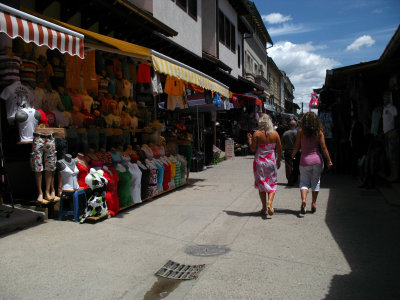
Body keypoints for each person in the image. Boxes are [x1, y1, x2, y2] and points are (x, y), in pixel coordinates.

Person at [291, 112, 333, 215]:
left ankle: (304, 200)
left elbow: (296, 145)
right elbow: (323, 148)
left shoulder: (300, 131)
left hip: (304, 160)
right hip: (317, 160)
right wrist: (329, 160)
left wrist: (293, 155)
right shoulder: (319, 132)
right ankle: (313, 203)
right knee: (316, 182)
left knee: (304, 182)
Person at [248, 114, 282, 216]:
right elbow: (279, 149)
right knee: (272, 183)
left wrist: (249, 140)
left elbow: (253, 149)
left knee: (261, 184)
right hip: (271, 162)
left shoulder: (257, 134)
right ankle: (270, 202)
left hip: (259, 162)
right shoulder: (275, 134)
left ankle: (263, 208)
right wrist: (279, 160)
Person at [282, 119, 300, 186]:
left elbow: (282, 143)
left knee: (288, 166)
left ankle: (290, 180)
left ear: (289, 125)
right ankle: (295, 179)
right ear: (296, 125)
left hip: (288, 151)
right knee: (296, 165)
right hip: (296, 151)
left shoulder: (285, 133)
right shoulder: (298, 133)